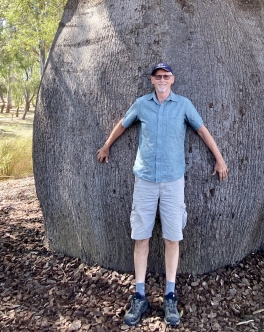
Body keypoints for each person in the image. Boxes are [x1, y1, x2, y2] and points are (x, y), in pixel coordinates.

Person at [97, 62, 228, 327]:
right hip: (144, 180)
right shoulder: (142, 104)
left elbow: (202, 130)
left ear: (172, 79)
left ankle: (170, 294)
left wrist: (219, 159)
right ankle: (140, 295)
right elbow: (123, 124)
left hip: (172, 181)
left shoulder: (183, 105)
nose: (162, 80)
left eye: (166, 76)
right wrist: (107, 145)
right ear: (152, 79)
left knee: (172, 238)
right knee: (141, 236)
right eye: (158, 76)